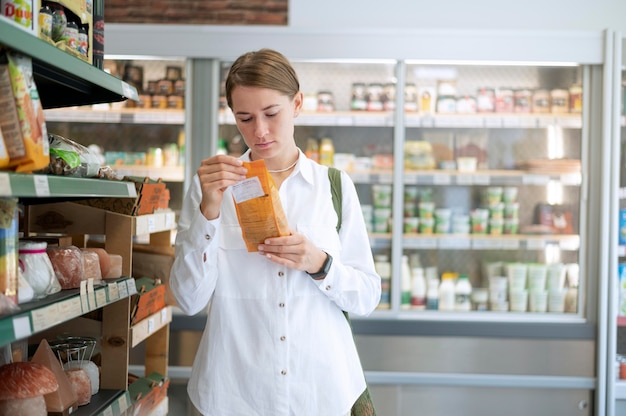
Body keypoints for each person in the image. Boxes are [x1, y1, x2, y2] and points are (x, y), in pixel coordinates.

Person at [169, 48, 381, 416]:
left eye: (271, 114)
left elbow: (367, 296)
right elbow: (188, 301)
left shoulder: (333, 186)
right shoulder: (212, 188)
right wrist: (209, 212)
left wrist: (320, 264)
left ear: (297, 103)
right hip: (232, 395)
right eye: (245, 118)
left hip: (321, 393)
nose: (260, 131)